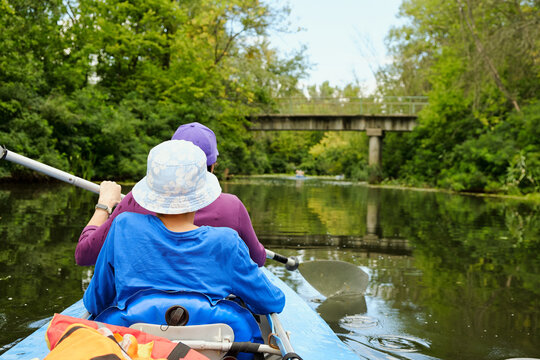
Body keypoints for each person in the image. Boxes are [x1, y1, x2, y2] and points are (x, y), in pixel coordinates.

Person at [82, 140, 285, 347]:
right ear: (203, 193)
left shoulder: (123, 227)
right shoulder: (226, 241)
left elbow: (95, 302)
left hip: (134, 347)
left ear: (151, 191)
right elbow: (271, 301)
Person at [75, 122, 266, 267]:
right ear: (213, 164)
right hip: (212, 311)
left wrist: (105, 204)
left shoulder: (134, 202)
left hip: (140, 311)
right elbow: (258, 260)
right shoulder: (232, 207)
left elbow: (85, 255)